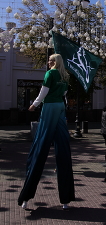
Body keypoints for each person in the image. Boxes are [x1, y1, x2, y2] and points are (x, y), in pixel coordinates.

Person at [18, 54, 75, 210]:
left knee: (40, 146)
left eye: (50, 60)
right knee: (63, 148)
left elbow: (43, 92)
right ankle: (66, 199)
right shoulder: (65, 75)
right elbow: (64, 95)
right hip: (60, 109)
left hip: (50, 108)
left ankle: (26, 196)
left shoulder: (50, 73)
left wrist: (34, 105)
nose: (48, 62)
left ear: (55, 62)